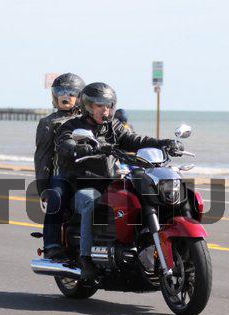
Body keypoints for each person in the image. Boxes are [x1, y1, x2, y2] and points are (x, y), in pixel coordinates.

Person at [56, 82, 182, 282]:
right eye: (99, 105)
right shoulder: (72, 126)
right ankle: (85, 258)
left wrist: (162, 143)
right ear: (87, 106)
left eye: (108, 105)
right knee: (90, 202)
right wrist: (78, 148)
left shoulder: (112, 127)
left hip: (111, 182)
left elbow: (134, 140)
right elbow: (65, 143)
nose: (105, 110)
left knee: (140, 196)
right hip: (83, 185)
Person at [34, 72, 85, 260]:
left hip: (89, 173)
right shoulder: (48, 122)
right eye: (61, 91)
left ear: (81, 96)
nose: (65, 96)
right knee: (56, 197)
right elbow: (42, 156)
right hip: (62, 174)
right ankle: (51, 245)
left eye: (71, 92)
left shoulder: (88, 120)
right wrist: (43, 188)